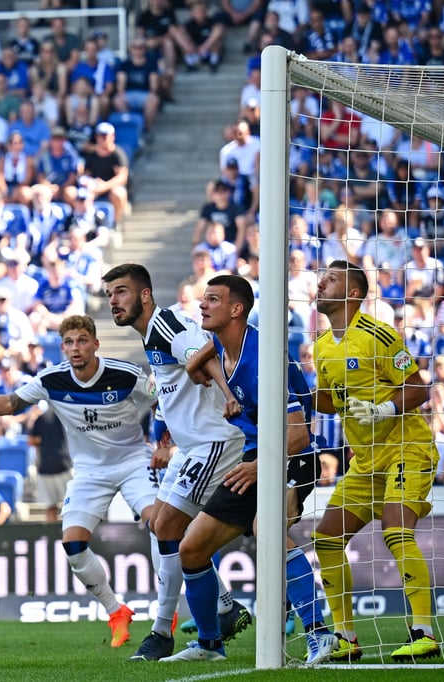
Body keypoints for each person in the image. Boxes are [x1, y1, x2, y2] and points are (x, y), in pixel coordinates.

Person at [171, 274, 337, 665]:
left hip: (292, 457)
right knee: (191, 548)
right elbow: (195, 368)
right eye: (204, 298)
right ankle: (210, 644)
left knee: (269, 530)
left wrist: (261, 465)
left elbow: (297, 435)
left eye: (213, 299)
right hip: (254, 460)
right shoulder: (219, 347)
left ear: (236, 309)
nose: (203, 304)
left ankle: (320, 635)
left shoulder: (264, 356)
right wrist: (211, 376)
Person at [101, 263, 251, 662]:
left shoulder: (166, 323)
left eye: (121, 292)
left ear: (144, 295)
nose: (114, 301)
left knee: (168, 526)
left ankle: (169, 634)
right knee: (160, 526)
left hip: (216, 442)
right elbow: (178, 379)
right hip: (190, 446)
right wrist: (165, 431)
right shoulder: (153, 334)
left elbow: (204, 354)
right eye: (110, 295)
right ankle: (220, 610)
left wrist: (227, 392)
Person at [0, 314, 160, 647]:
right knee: (72, 543)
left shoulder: (124, 374)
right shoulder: (51, 379)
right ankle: (116, 612)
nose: (75, 348)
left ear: (95, 343)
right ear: (62, 347)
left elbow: (161, 399)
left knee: (162, 525)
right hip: (88, 472)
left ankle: (169, 614)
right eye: (69, 342)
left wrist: (164, 441)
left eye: (82, 340)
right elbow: (11, 404)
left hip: (132, 461)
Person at [311, 260, 440, 661]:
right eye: (321, 278)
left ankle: (424, 632)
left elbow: (419, 390)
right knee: (327, 538)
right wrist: (290, 392)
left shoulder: (378, 334)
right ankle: (346, 639)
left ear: (352, 293)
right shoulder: (321, 346)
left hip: (406, 448)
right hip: (364, 462)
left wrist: (382, 409)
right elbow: (330, 402)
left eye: (331, 279)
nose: (320, 283)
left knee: (395, 529)